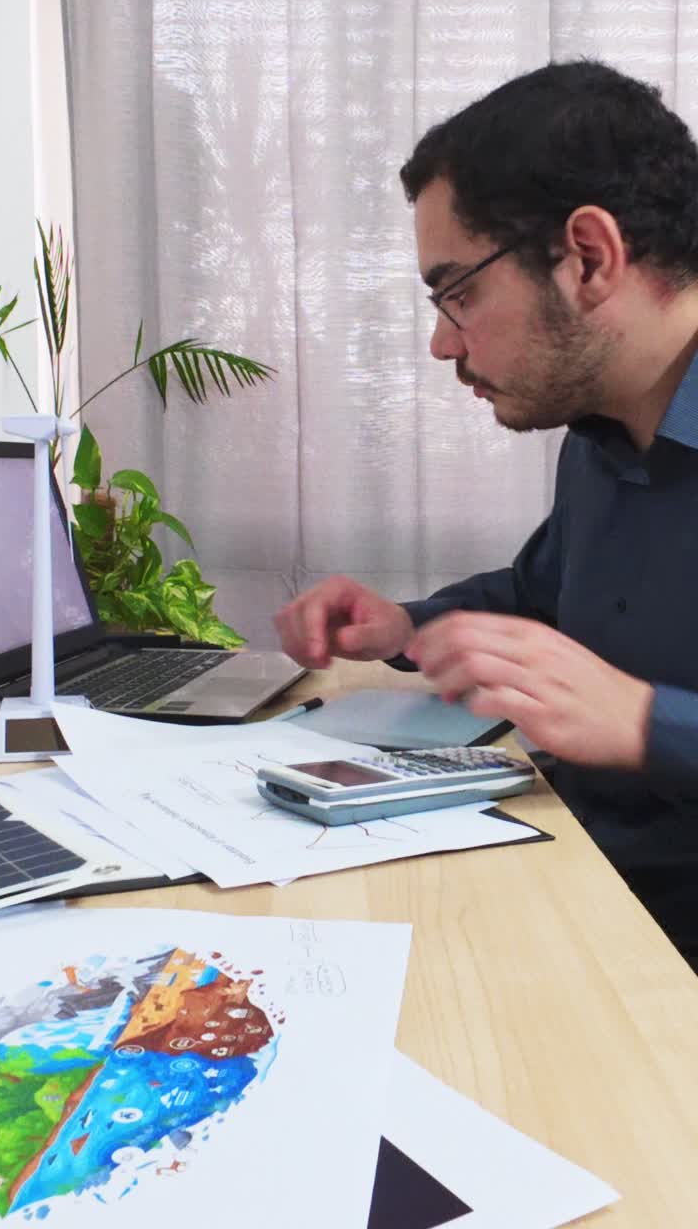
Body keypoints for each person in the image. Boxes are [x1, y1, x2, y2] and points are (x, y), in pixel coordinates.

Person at [274, 60, 698, 971]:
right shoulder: (602, 436)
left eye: (459, 292)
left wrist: (645, 723)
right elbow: (542, 596)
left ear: (589, 257)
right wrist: (406, 627)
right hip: (566, 883)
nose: (441, 343)